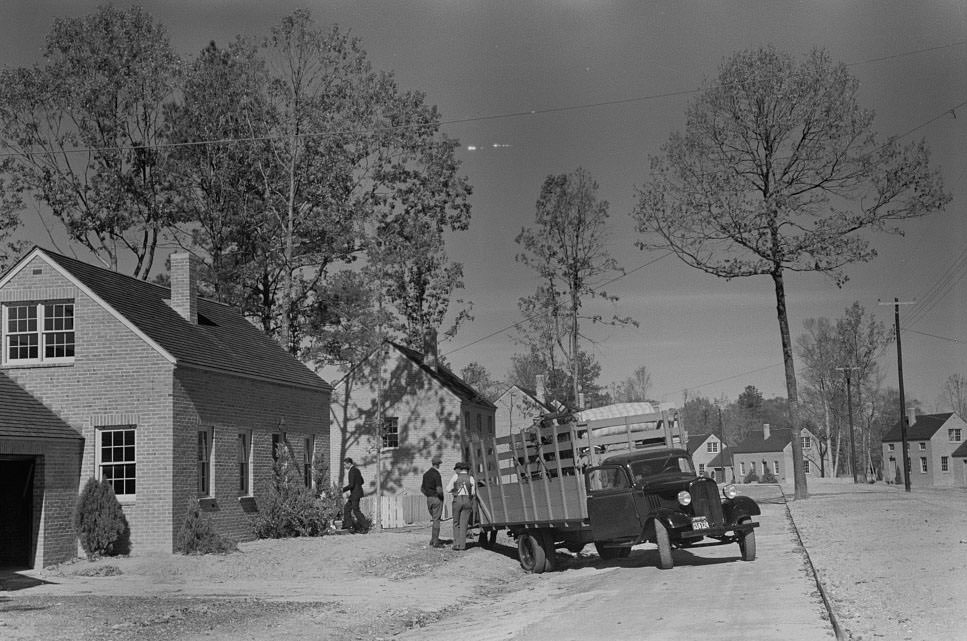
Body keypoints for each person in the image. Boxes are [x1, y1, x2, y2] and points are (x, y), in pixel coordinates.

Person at [445, 461, 476, 551]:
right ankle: (463, 546)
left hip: (457, 500)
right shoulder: (471, 478)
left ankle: (456, 544)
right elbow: (473, 492)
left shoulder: (456, 476)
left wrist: (454, 491)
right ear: (467, 470)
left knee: (456, 523)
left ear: (460, 469)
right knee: (464, 524)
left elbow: (447, 489)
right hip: (467, 501)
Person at [421, 456, 445, 548]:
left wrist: (428, 495)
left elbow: (422, 489)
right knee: (436, 520)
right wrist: (441, 498)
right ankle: (435, 541)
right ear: (438, 464)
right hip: (436, 498)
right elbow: (439, 489)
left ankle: (432, 539)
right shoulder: (436, 474)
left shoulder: (425, 474)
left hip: (429, 499)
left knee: (434, 518)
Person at [342, 457, 366, 533]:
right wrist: (357, 486)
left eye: (345, 464)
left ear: (349, 464)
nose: (344, 466)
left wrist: (342, 490)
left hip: (355, 494)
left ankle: (365, 527)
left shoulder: (351, 471)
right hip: (357, 493)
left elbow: (351, 485)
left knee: (356, 510)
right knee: (347, 508)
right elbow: (362, 481)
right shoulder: (357, 470)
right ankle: (349, 526)